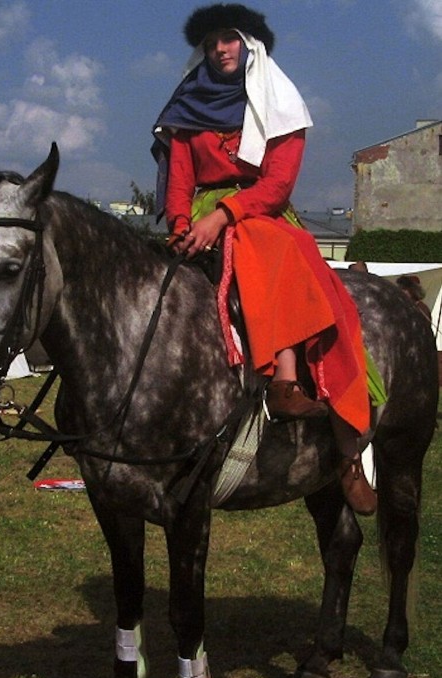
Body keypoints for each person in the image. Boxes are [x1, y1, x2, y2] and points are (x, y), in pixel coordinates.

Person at [151, 3, 376, 514]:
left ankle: (315, 414)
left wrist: (224, 216)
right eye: (211, 43)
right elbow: (181, 175)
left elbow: (276, 184)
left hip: (259, 211)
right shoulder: (186, 106)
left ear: (248, 45)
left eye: (228, 39)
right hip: (200, 212)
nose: (219, 49)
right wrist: (183, 224)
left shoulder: (281, 103)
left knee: (287, 260)